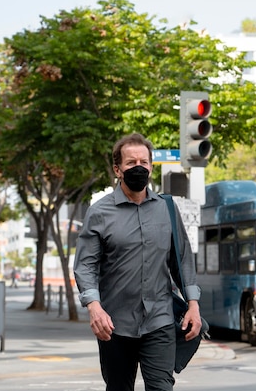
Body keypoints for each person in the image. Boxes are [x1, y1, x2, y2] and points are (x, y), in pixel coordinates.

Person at [73, 133, 202, 391]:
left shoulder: (167, 208)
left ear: (151, 167)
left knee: (162, 388)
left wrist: (193, 305)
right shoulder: (100, 212)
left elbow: (182, 260)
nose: (138, 167)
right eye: (131, 163)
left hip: (160, 321)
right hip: (115, 324)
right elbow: (85, 265)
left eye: (144, 162)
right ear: (117, 169)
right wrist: (94, 308)